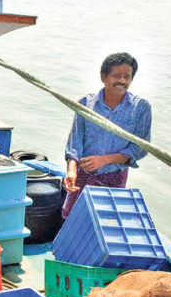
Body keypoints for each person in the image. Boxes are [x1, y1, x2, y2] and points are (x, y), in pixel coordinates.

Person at [62, 52, 152, 217]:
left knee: (106, 221)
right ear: (103, 77)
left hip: (114, 177)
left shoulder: (141, 108)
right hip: (82, 175)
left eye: (127, 76)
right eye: (117, 76)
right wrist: (71, 171)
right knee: (72, 220)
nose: (122, 81)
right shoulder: (86, 104)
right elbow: (75, 142)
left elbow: (140, 148)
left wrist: (105, 160)